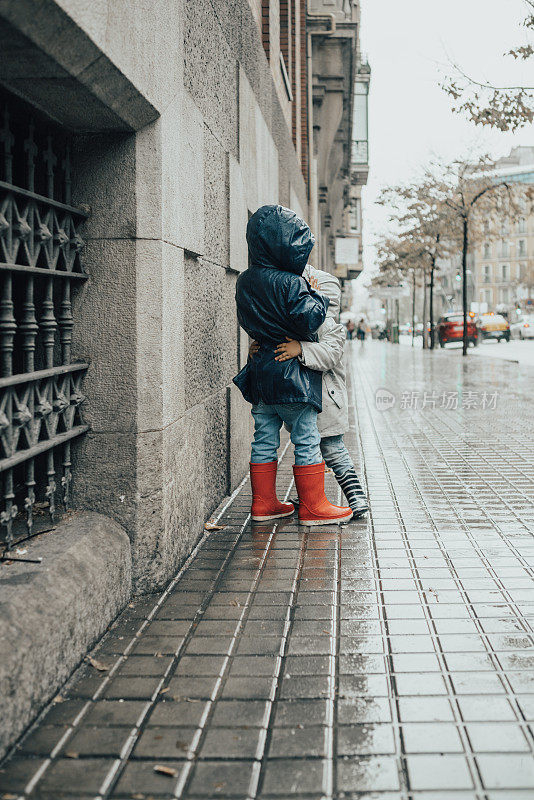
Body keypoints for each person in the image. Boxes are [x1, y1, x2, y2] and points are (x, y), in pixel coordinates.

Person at [233, 204, 353, 526]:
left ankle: (263, 503)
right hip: (291, 378)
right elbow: (310, 320)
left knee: (264, 437)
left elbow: (248, 321)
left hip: (260, 374)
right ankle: (314, 506)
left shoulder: (245, 281)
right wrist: (315, 293)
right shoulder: (290, 283)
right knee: (306, 437)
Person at [251, 265, 368, 518]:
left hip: (326, 400)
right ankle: (311, 500)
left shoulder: (331, 327)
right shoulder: (294, 323)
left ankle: (356, 497)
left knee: (334, 450)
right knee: (307, 448)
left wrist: (301, 349)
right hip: (304, 398)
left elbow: (330, 354)